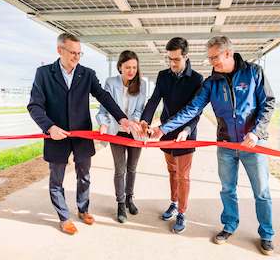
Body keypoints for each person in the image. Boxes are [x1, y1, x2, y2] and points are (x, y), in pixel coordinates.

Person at [149, 36, 276, 255]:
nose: (211, 62)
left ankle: (266, 234)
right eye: (209, 58)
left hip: (253, 144)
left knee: (261, 192)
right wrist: (163, 129)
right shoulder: (211, 83)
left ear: (228, 53)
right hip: (225, 144)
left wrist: (256, 133)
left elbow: (268, 103)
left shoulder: (254, 72)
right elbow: (192, 109)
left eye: (214, 57)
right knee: (228, 189)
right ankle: (229, 225)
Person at [28, 33, 140, 235]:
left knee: (85, 177)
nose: (76, 57)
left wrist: (122, 118)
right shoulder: (43, 73)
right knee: (56, 181)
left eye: (80, 53)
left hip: (81, 136)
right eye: (72, 53)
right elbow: (34, 106)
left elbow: (104, 97)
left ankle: (83, 209)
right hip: (56, 136)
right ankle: (64, 217)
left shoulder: (87, 74)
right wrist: (49, 127)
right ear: (59, 50)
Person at [140, 37, 203, 234]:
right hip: (166, 132)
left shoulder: (197, 79)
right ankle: (174, 202)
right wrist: (146, 120)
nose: (172, 64)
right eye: (169, 59)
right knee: (172, 171)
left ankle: (182, 212)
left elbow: (196, 111)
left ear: (186, 56)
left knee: (183, 175)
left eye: (176, 59)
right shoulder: (163, 76)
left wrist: (187, 130)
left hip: (186, 133)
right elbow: (154, 100)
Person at [96, 50, 146, 223]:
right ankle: (120, 203)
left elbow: (140, 108)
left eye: (134, 67)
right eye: (127, 67)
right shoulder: (110, 82)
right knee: (120, 169)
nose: (131, 71)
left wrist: (134, 122)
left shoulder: (142, 84)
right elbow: (105, 106)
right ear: (120, 67)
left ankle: (129, 198)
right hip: (116, 132)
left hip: (134, 134)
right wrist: (103, 122)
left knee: (132, 168)